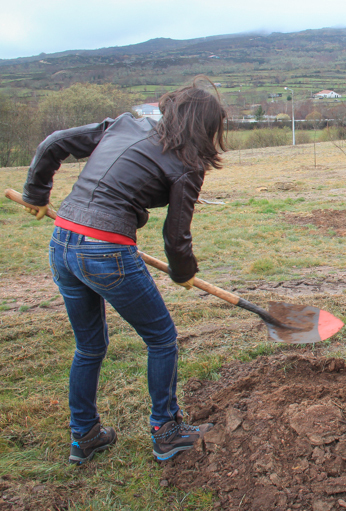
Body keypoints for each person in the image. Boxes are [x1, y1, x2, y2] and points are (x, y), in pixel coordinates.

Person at [22, 77, 226, 464]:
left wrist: (36, 192)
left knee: (90, 346)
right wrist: (183, 272)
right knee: (162, 338)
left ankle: (85, 435)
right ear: (208, 127)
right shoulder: (187, 163)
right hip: (106, 251)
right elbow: (176, 236)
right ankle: (166, 431)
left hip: (63, 241)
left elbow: (55, 143)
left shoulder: (122, 124)